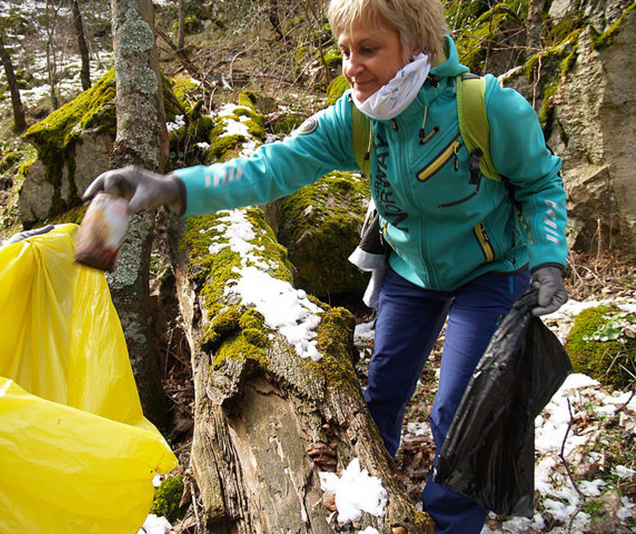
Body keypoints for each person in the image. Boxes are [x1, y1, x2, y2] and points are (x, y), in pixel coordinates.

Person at [84, 0, 569, 531]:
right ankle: (370, 501)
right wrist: (173, 187)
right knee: (381, 392)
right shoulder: (358, 119)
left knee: (461, 413)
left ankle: (449, 522)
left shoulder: (488, 108)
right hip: (409, 267)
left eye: (368, 49)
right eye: (345, 51)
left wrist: (549, 260)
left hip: (490, 270)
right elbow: (273, 167)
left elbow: (541, 183)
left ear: (417, 44)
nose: (352, 67)